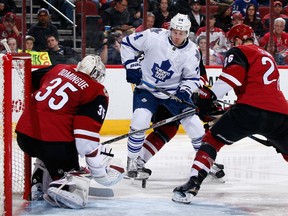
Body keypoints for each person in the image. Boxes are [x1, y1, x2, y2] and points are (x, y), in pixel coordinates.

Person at [172, 24, 288, 204]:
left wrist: (208, 98)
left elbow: (231, 79)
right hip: (281, 114)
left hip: (250, 111)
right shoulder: (267, 55)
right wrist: (225, 111)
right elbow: (260, 91)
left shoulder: (240, 51)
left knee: (212, 140)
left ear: (237, 40)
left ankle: (192, 184)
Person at [15, 55, 125, 208]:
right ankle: (63, 185)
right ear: (97, 75)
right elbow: (84, 138)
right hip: (53, 145)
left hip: (23, 135)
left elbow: (30, 80)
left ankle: (38, 182)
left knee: (49, 153)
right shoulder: (96, 90)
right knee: (77, 180)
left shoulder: (58, 68)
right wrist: (98, 165)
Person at [120, 13, 204, 179]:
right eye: (175, 31)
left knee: (195, 125)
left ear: (187, 33)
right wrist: (131, 66)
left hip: (173, 93)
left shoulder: (192, 52)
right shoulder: (153, 36)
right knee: (140, 118)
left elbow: (192, 78)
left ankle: (205, 160)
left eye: (181, 33)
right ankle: (132, 160)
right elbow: (127, 43)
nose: (177, 36)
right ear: (170, 29)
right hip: (147, 88)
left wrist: (185, 90)